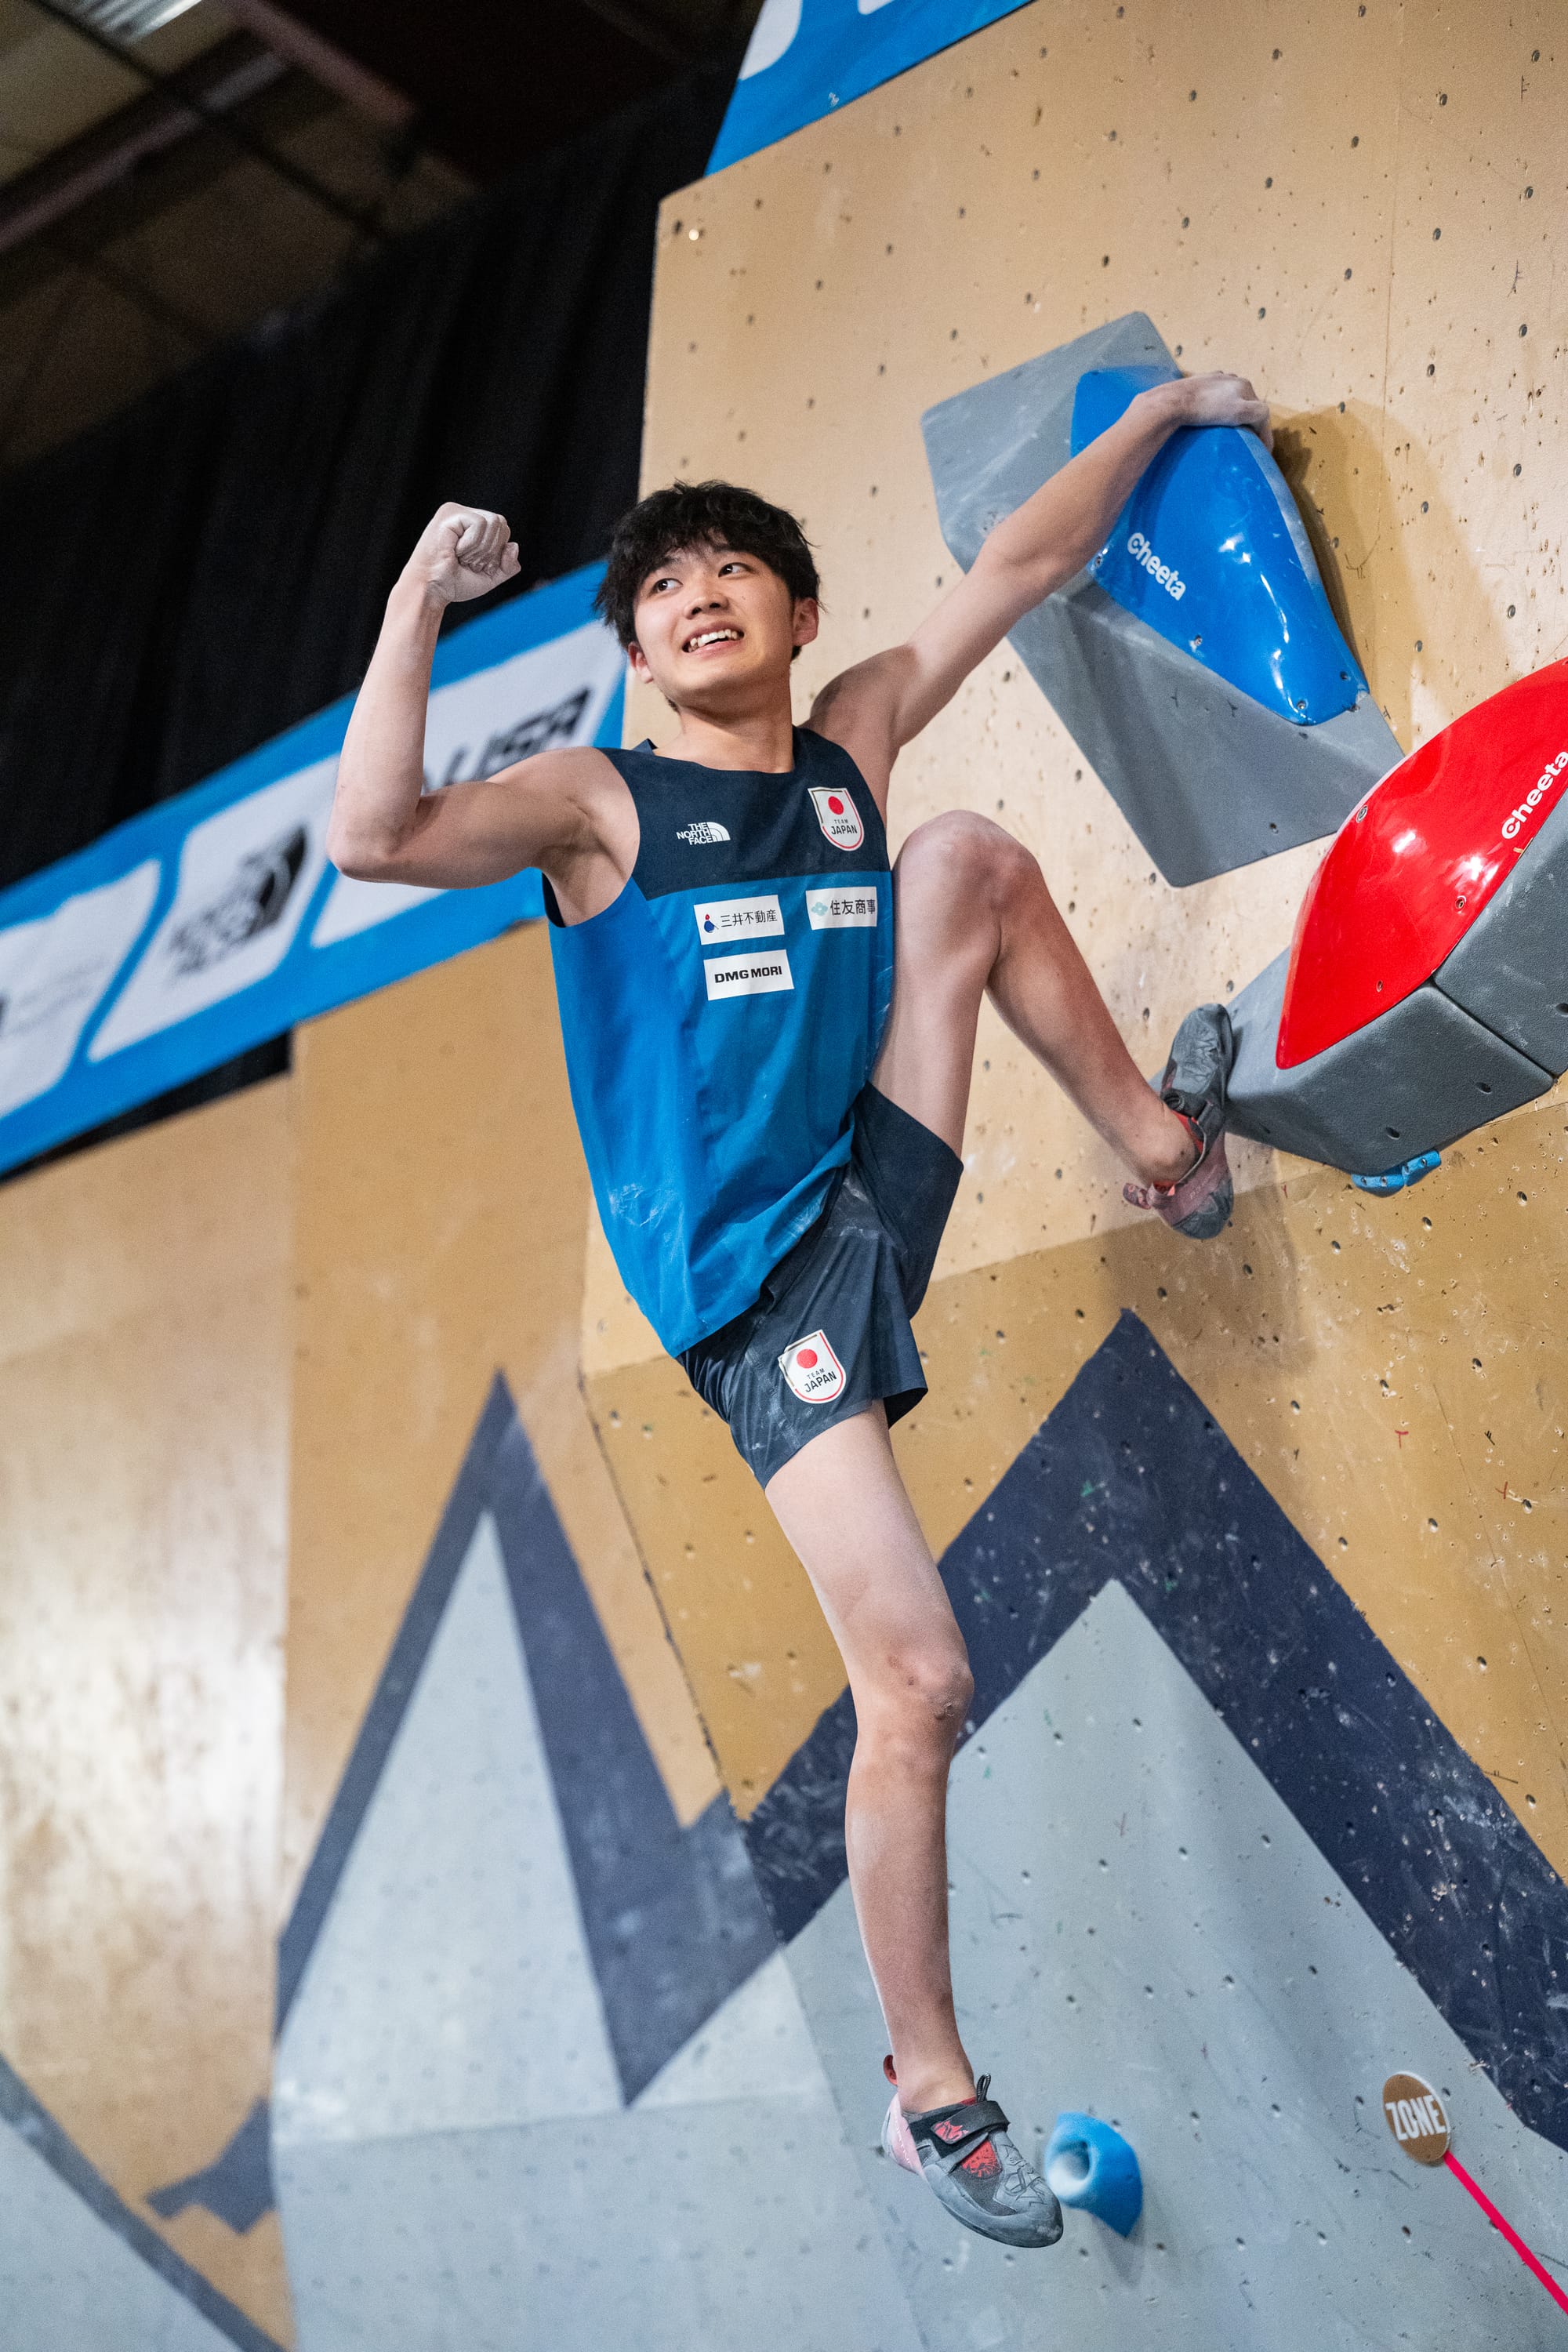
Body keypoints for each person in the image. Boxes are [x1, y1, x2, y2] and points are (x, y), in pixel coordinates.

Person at [326, 365, 1269, 2249]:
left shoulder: (850, 742)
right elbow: (368, 836)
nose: (694, 596)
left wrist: (1164, 409)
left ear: (797, 611)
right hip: (758, 1304)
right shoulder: (600, 805)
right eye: (658, 590)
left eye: (732, 569)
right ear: (637, 652)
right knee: (916, 1675)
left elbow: (1020, 557)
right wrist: (417, 596)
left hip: (874, 1181)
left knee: (966, 861)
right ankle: (934, 2095)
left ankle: (1168, 1150)